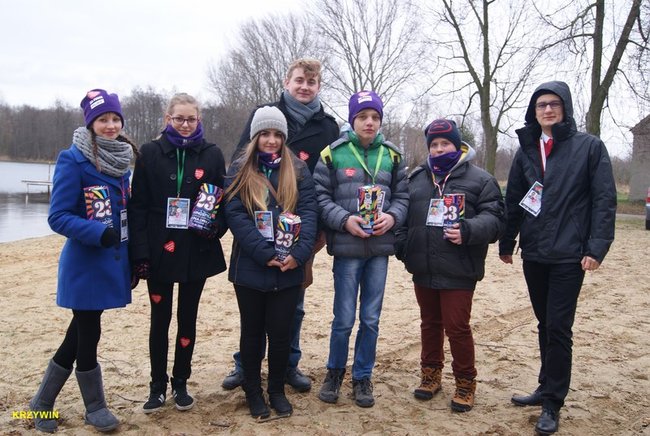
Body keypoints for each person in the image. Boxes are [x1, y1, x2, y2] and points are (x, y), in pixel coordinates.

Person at [499, 81, 616, 435]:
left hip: (569, 253)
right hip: (534, 251)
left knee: (559, 327)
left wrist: (596, 247)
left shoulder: (589, 147)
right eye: (541, 105)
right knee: (544, 323)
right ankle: (544, 385)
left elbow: (604, 199)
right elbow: (515, 197)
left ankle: (553, 402)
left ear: (564, 107)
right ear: (534, 112)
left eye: (554, 103)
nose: (547, 109)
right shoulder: (527, 150)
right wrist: (507, 240)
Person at [223, 58, 339, 392]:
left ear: (318, 86)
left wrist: (315, 233)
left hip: (300, 231)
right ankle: (245, 365)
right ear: (287, 82)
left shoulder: (328, 127)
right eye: (299, 80)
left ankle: (288, 364)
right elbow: (240, 163)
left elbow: (326, 182)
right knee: (254, 308)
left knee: (293, 303)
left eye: (311, 82)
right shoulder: (265, 115)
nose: (305, 87)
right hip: (258, 228)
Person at [29, 89, 137, 433]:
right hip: (86, 265)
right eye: (103, 119)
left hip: (113, 262)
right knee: (88, 332)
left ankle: (42, 402)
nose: (111, 125)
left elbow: (123, 214)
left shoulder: (121, 161)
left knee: (78, 333)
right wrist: (97, 233)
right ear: (90, 124)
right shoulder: (72, 160)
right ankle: (95, 407)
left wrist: (133, 257)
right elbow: (58, 216)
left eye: (116, 119)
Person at [394, 119, 505, 412]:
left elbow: (495, 219)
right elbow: (402, 217)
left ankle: (465, 383)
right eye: (434, 144)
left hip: (460, 267)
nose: (440, 149)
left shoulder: (481, 180)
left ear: (457, 146)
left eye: (445, 143)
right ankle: (430, 375)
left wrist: (468, 230)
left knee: (457, 327)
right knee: (430, 323)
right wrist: (404, 247)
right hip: (423, 266)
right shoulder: (417, 179)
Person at [129, 93, 228, 413]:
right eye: (179, 119)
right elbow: (137, 206)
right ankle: (157, 385)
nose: (185, 125)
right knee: (160, 320)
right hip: (158, 250)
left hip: (196, 250)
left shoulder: (212, 154)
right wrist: (140, 254)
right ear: (167, 119)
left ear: (199, 120)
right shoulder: (149, 152)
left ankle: (181, 382)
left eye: (191, 119)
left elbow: (223, 202)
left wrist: (215, 228)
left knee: (188, 319)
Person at [314, 90, 408, 408]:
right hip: (347, 248)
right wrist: (344, 221)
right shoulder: (333, 154)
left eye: (375, 117)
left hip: (379, 249)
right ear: (352, 120)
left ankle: (362, 376)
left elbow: (403, 196)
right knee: (343, 318)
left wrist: (392, 217)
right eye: (363, 117)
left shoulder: (393, 156)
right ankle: (334, 373)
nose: (369, 122)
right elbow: (320, 196)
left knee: (370, 318)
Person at [224, 106, 318, 418]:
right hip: (251, 267)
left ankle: (276, 390)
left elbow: (310, 212)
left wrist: (299, 255)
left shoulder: (298, 169)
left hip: (289, 266)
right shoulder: (240, 169)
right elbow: (235, 215)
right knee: (252, 333)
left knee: (280, 334)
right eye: (265, 133)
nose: (271, 140)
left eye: (277, 134)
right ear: (255, 137)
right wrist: (264, 254)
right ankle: (253, 391)